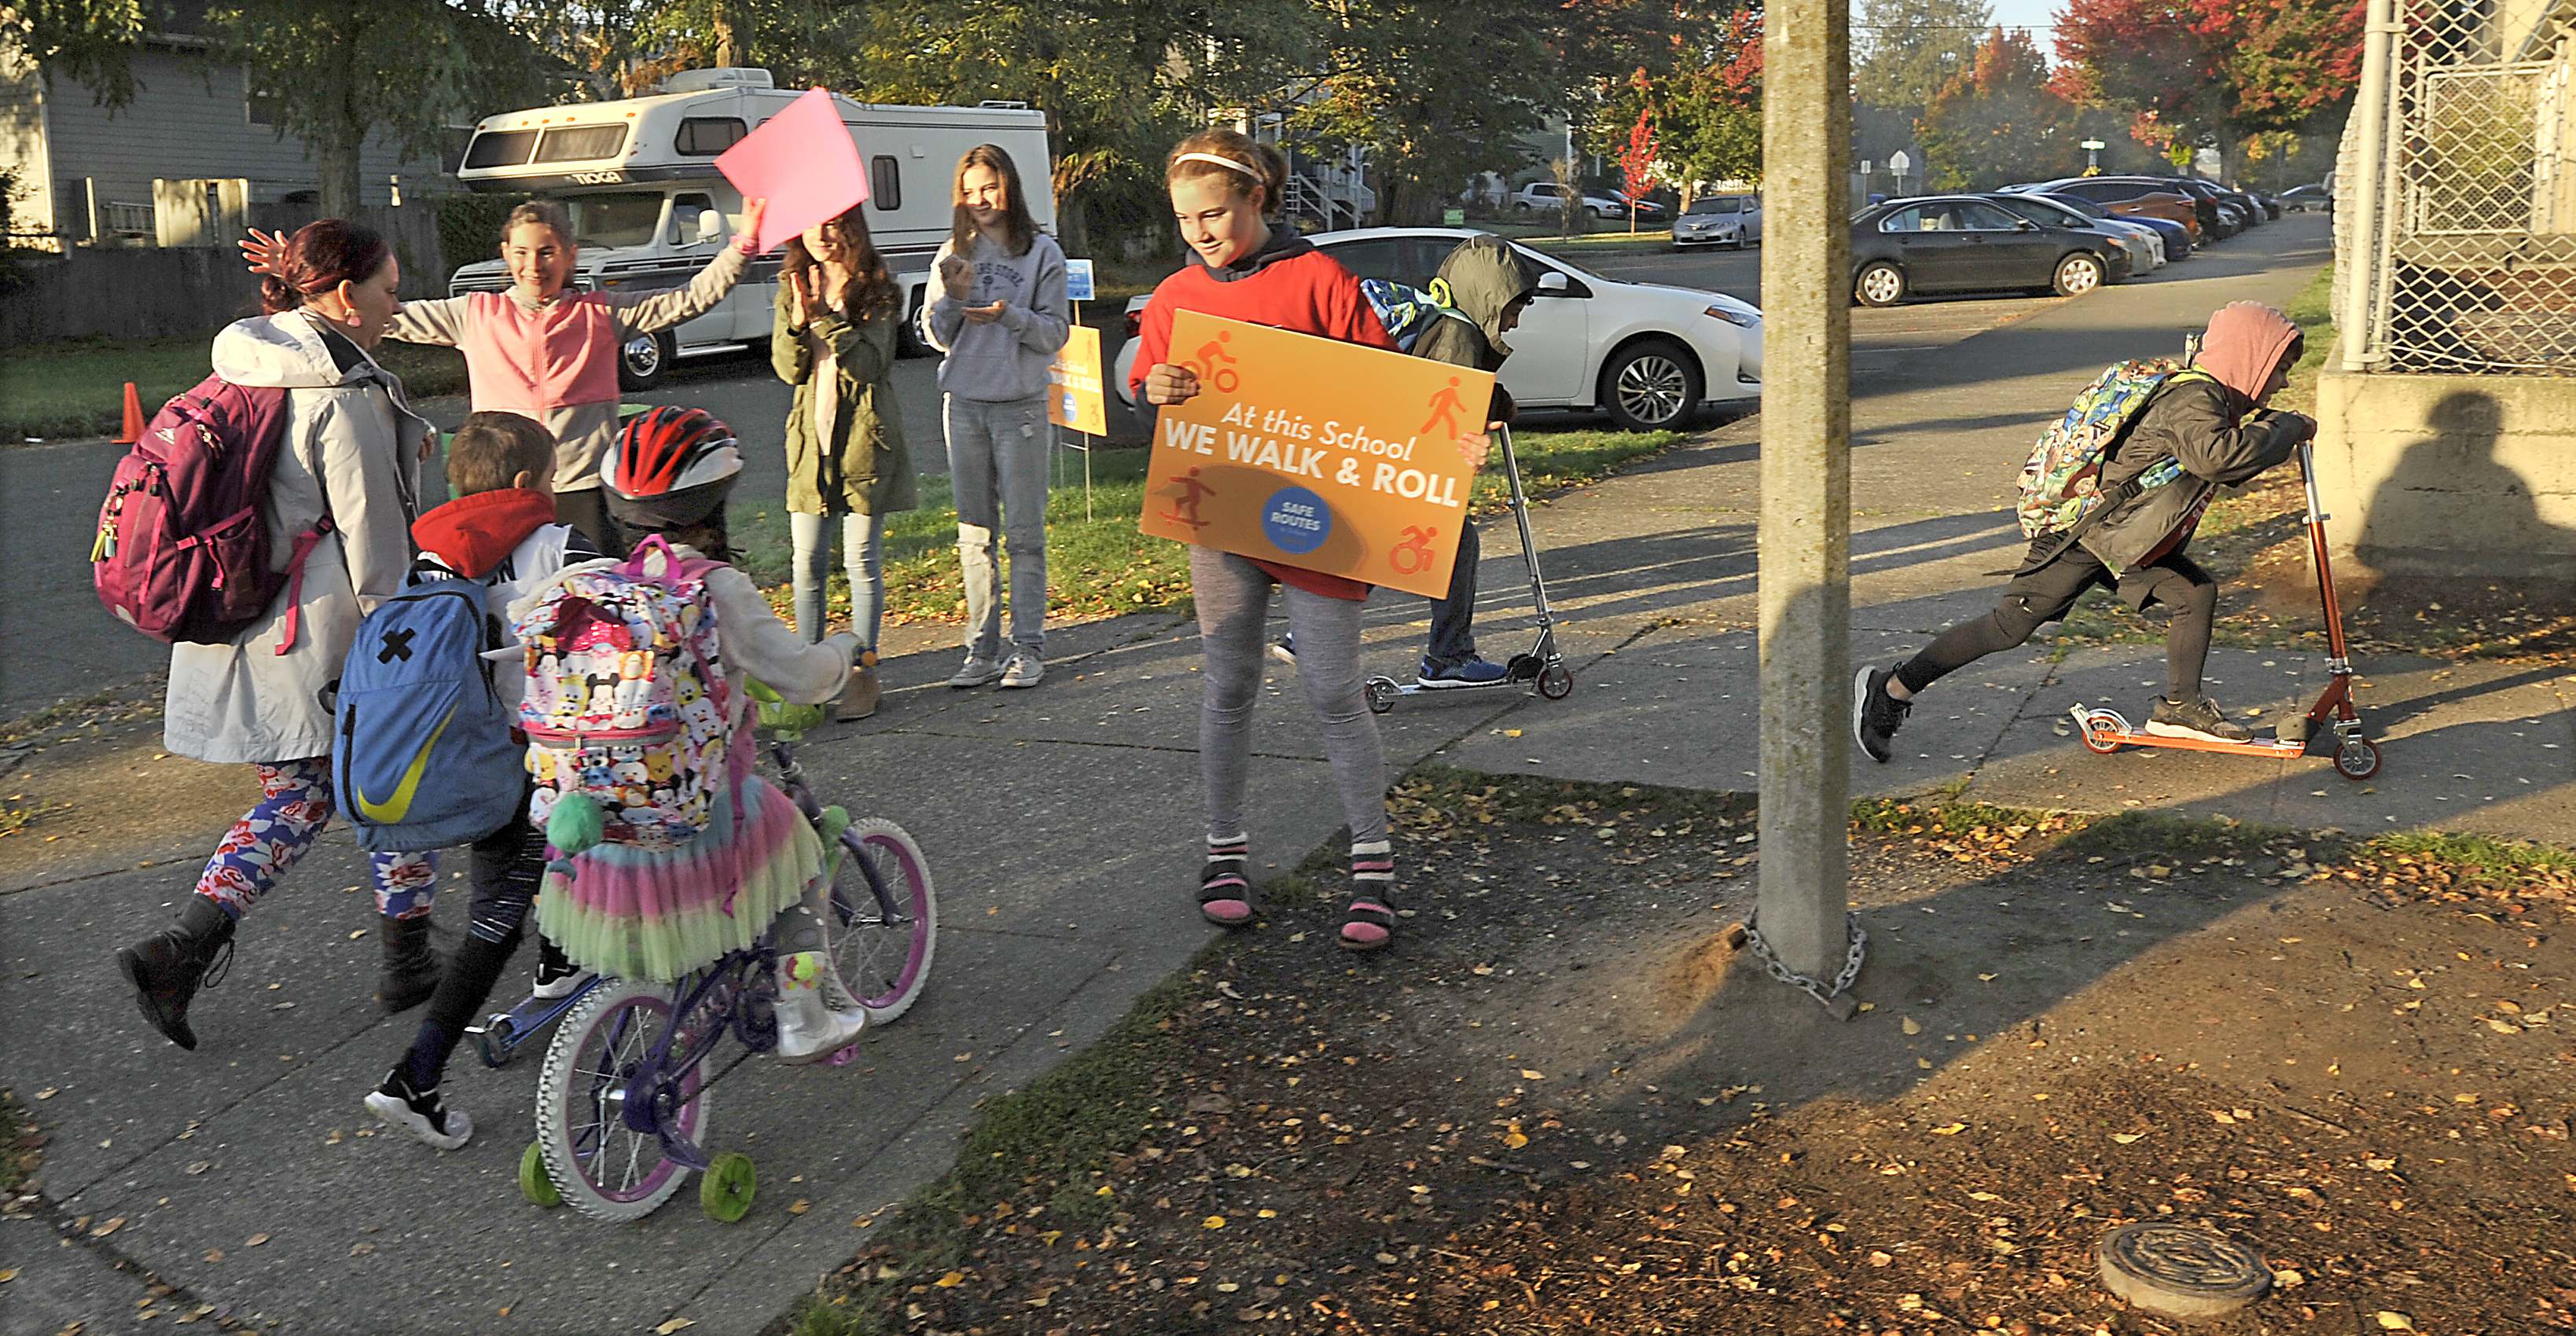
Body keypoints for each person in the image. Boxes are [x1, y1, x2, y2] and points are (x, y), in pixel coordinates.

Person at [119, 219, 435, 1050]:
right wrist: (409, 643)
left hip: (243, 628)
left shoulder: (250, 363)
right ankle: (403, 959)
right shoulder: (335, 393)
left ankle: (183, 949)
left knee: (299, 796)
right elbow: (376, 550)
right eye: (388, 288)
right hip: (320, 642)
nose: (396, 302)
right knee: (396, 778)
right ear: (343, 296)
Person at [1126, 128, 1407, 952]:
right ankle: (1222, 854)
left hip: (1320, 521)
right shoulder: (1176, 295)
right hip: (1220, 515)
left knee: (1331, 690)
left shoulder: (1319, 277)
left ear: (1258, 197)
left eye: (1214, 214)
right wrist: (1156, 388)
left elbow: (1389, 391)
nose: (1200, 232)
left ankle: (1371, 864)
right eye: (1185, 219)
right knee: (1228, 685)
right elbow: (1145, 384)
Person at [529, 408, 873, 1062]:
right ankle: (801, 1016)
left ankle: (679, 1016)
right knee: (799, 865)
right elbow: (801, 677)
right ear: (716, 499)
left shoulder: (603, 585)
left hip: (609, 813)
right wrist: (843, 646)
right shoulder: (718, 588)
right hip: (702, 807)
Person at [1854, 301, 2317, 761]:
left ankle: (2180, 709)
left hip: (2126, 540)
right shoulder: (2193, 398)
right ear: (2250, 356)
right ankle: (1890, 689)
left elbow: (2220, 468)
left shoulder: (2211, 402)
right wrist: (2285, 424)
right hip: (2085, 536)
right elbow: (2218, 458)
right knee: (2008, 627)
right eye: (2281, 369)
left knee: (2194, 595)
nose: (2285, 381)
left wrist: (2276, 433)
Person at [244, 196, 769, 547]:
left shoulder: (602, 314)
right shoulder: (475, 314)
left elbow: (692, 298)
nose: (533, 266)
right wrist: (301, 275)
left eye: (547, 253)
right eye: (521, 253)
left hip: (583, 488)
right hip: (503, 489)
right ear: (504, 255)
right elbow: (376, 309)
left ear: (569, 255)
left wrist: (742, 247)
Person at [362, 411, 598, 1148]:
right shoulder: (561, 545)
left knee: (515, 880)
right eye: (552, 478)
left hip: (472, 754)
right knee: (497, 920)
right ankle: (415, 1075)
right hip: (550, 757)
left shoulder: (428, 557)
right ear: (529, 484)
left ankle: (559, 969)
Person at [1274, 235, 1535, 688]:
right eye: (1512, 310)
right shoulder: (1460, 334)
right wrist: (1492, 411)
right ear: (1489, 299)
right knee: (1450, 541)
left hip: (1373, 449)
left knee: (1380, 547)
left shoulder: (1445, 323)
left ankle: (1308, 632)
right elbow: (1447, 397)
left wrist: (1496, 400)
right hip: (1403, 460)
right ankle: (1448, 656)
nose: (1513, 324)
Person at [923, 145, 1071, 691]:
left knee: (1025, 536)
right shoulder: (954, 252)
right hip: (963, 406)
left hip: (1021, 408)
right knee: (973, 534)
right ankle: (980, 649)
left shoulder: (1042, 254)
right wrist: (951, 299)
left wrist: (1010, 315)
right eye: (970, 189)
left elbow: (1056, 333)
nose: (980, 199)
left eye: (989, 187)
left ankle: (1027, 648)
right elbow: (936, 337)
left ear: (1008, 187)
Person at [775, 203, 917, 719]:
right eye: (815, 223)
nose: (825, 234)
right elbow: (788, 370)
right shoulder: (793, 281)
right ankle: (805, 679)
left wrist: (824, 320)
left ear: (854, 228)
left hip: (863, 440)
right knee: (806, 563)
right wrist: (796, 322)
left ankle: (863, 673)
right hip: (811, 441)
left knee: (861, 560)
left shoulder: (876, 289)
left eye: (837, 223)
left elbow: (870, 365)